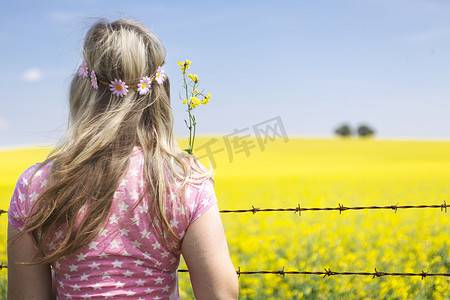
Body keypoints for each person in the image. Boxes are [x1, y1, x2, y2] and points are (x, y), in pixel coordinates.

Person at [7, 19, 239, 299]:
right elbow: (220, 294)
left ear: (83, 89)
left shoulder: (37, 186)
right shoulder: (185, 182)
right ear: (158, 93)